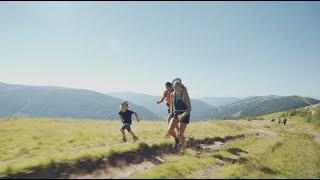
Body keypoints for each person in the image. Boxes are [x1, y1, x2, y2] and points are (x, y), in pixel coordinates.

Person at [167, 79, 192, 151]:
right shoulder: (172, 94)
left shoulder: (184, 94)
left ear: (180, 87)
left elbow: (189, 108)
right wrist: (171, 113)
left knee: (180, 134)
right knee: (170, 130)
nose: (174, 88)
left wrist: (183, 115)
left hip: (185, 114)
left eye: (176, 86)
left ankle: (183, 148)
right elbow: (172, 104)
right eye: (174, 86)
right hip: (176, 114)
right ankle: (177, 140)